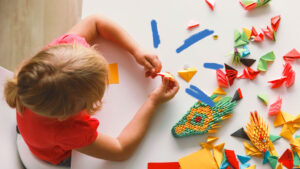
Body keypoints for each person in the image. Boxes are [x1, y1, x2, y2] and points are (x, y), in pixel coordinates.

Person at [4, 14, 179, 168]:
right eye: (95, 97)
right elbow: (121, 150)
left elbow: (95, 22)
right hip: (53, 158)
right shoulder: (68, 130)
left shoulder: (60, 55)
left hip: (33, 131)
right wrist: (153, 102)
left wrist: (136, 50)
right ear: (70, 112)